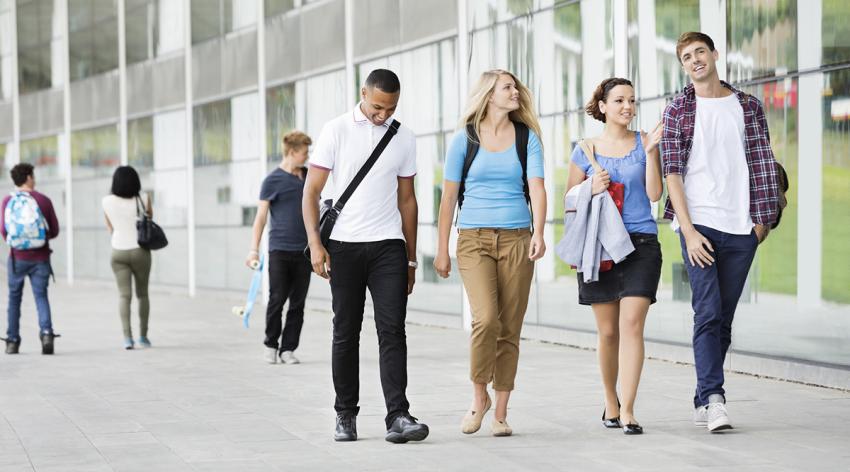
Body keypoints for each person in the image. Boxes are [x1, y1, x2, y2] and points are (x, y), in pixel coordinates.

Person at [662, 32, 781, 432]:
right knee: (708, 311)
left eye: (700, 53)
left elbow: (763, 161)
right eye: (686, 57)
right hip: (700, 223)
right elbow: (672, 172)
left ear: (715, 54)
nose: (695, 60)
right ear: (683, 66)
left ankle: (701, 395)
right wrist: (690, 231)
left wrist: (761, 224)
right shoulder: (678, 108)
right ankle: (715, 399)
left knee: (723, 319)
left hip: (741, 225)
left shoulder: (747, 106)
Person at [302, 69, 429, 444]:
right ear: (363, 93)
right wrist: (316, 244)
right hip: (343, 246)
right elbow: (311, 192)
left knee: (393, 330)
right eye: (377, 106)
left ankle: (398, 416)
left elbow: (407, 200)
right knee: (345, 332)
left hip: (388, 244)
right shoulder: (335, 130)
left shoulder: (403, 137)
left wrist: (409, 258)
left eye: (390, 108)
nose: (382, 114)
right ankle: (345, 414)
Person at [434, 69, 547, 437]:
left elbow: (538, 187)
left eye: (516, 86)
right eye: (507, 87)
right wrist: (441, 250)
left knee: (509, 327)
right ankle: (478, 397)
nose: (515, 91)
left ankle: (500, 413)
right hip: (473, 238)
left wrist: (540, 232)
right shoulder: (464, 139)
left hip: (517, 237)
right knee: (485, 320)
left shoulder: (526, 138)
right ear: (489, 95)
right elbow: (448, 197)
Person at [564, 78, 663, 435]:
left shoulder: (644, 143)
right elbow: (570, 200)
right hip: (600, 245)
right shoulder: (585, 149)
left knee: (631, 325)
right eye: (619, 100)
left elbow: (654, 194)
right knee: (608, 333)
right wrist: (591, 186)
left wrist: (651, 152)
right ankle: (610, 399)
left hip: (641, 244)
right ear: (602, 106)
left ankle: (630, 409)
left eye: (632, 101)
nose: (627, 106)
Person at [247, 130, 313, 365]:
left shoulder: (308, 176)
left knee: (298, 303)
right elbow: (261, 217)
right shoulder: (272, 180)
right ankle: (271, 344)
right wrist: (253, 249)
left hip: (305, 251)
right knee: (277, 299)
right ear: (292, 152)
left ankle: (288, 349)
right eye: (304, 153)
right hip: (280, 250)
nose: (307, 157)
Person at [1, 163, 60, 355]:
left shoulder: (7, 201)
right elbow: (55, 230)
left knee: (14, 300)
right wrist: (38, 239)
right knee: (41, 296)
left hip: (17, 259)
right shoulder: (43, 200)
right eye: (33, 176)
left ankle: (12, 341)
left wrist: (20, 241)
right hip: (41, 257)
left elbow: (4, 231)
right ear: (28, 177)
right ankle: (46, 334)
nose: (34, 179)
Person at [102, 166, 153, 350]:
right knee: (143, 294)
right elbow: (150, 220)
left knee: (124, 295)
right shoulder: (144, 198)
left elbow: (109, 226)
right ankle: (143, 337)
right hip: (140, 251)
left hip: (118, 251)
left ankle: (127, 339)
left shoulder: (106, 201)